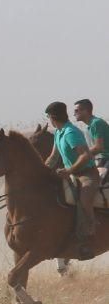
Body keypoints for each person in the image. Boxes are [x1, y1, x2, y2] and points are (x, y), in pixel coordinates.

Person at [44, 101, 98, 259]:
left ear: (53, 117)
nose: (48, 119)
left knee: (85, 198)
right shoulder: (59, 133)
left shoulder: (70, 133)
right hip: (72, 174)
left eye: (48, 117)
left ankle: (89, 236)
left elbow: (84, 155)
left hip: (87, 174)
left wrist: (69, 170)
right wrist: (43, 171)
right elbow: (53, 157)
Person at [73, 98, 109, 180]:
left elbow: (98, 147)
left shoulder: (96, 123)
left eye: (76, 111)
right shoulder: (88, 127)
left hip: (106, 158)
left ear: (85, 111)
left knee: (98, 181)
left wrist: (81, 156)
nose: (74, 114)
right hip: (100, 159)